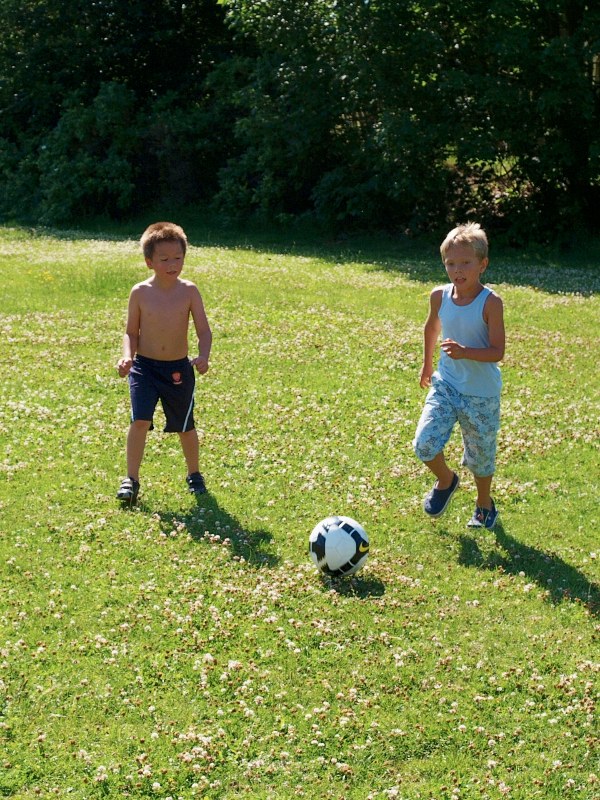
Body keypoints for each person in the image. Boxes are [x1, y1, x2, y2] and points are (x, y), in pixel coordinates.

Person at [413, 222, 505, 529]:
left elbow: (497, 352)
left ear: (482, 264)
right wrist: (428, 365)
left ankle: (483, 504)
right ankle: (446, 480)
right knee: (424, 444)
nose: (457, 270)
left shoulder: (491, 302)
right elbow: (431, 328)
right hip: (446, 385)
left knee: (480, 457)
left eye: (465, 263)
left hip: (481, 393)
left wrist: (466, 351)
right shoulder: (439, 296)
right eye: (450, 263)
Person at [116, 221, 212, 503]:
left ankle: (194, 474)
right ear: (149, 262)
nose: (173, 264)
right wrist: (127, 357)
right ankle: (131, 479)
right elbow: (130, 332)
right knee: (140, 421)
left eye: (178, 258)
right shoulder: (140, 292)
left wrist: (203, 355)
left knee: (185, 425)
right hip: (144, 368)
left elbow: (204, 331)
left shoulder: (190, 291)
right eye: (165, 259)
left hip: (178, 369)